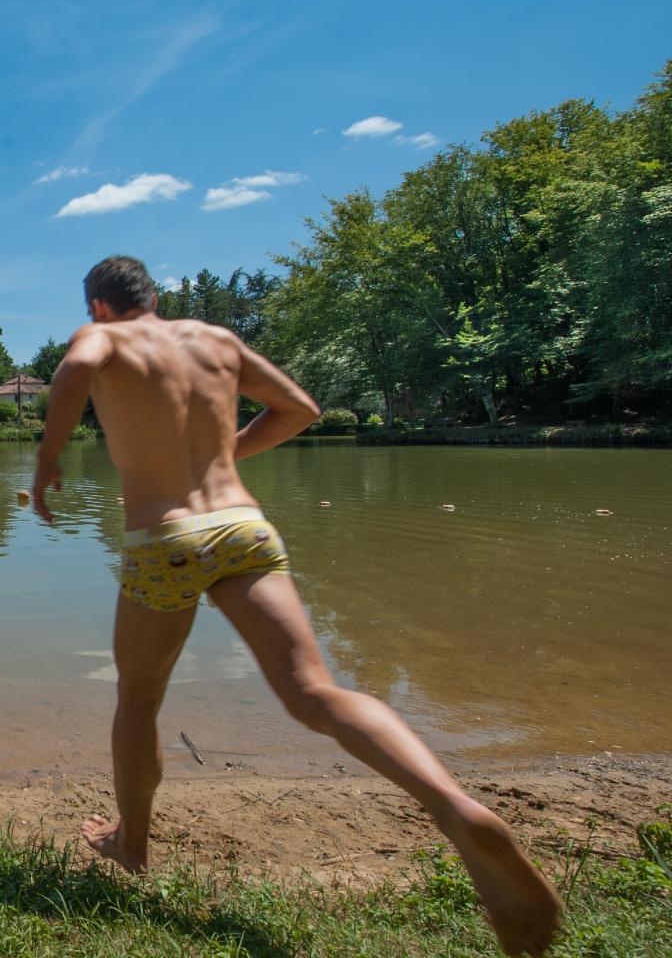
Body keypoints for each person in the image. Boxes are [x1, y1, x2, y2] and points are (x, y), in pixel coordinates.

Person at [35, 255, 560, 955]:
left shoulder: (106, 338)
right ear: (153, 299)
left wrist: (48, 462)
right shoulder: (217, 341)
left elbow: (74, 370)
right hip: (244, 527)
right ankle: (456, 808)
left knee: (138, 699)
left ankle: (131, 846)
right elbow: (302, 409)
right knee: (314, 691)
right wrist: (227, 456)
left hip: (164, 537)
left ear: (99, 306)